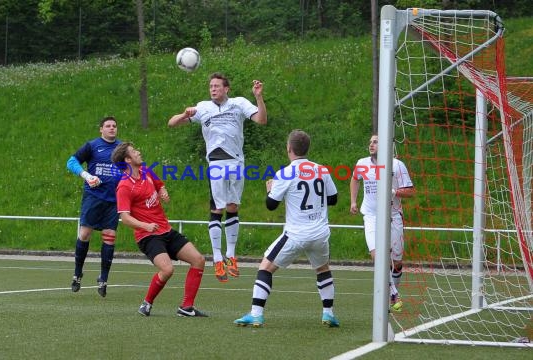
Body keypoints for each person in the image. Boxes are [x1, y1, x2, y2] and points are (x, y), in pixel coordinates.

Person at [233, 130, 340, 328]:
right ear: (307, 149)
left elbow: (271, 204)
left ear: (289, 149)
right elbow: (333, 199)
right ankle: (328, 314)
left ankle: (256, 313)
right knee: (323, 269)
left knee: (265, 268)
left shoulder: (284, 173)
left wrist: (270, 190)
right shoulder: (322, 170)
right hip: (319, 232)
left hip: (296, 234)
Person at [167, 72, 267, 283]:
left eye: (217, 86)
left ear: (226, 89)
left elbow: (261, 120)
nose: (213, 89)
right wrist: (185, 114)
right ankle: (217, 257)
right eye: (211, 86)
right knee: (217, 209)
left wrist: (258, 97)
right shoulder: (203, 107)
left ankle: (231, 255)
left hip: (237, 162)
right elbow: (171, 123)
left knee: (233, 206)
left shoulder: (239, 103)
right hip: (216, 163)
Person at [111, 142, 207, 317]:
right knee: (167, 270)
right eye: (134, 151)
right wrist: (145, 226)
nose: (138, 151)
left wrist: (163, 191)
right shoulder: (124, 186)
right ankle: (146, 304)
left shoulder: (146, 170)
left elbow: (159, 184)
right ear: (127, 159)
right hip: (148, 236)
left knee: (199, 260)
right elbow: (125, 218)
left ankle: (186, 307)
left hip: (165, 230)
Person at [349, 134, 415, 312]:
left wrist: (393, 191)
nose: (371, 144)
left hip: (393, 216)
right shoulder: (362, 163)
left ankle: (393, 291)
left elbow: (410, 191)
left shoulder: (396, 165)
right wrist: (353, 202)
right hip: (371, 215)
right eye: (370, 141)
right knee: (378, 256)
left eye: (375, 142)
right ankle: (393, 294)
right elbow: (355, 178)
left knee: (397, 262)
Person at [66, 116, 122, 297]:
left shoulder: (122, 148)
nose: (112, 128)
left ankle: (103, 278)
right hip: (93, 197)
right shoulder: (92, 146)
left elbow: (135, 168)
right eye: (108, 126)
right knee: (84, 234)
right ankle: (77, 273)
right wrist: (87, 176)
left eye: (114, 126)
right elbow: (71, 161)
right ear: (101, 129)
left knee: (110, 237)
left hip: (113, 201)